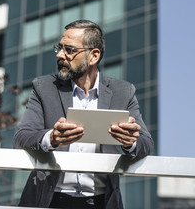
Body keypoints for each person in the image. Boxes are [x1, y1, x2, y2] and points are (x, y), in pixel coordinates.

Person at [13, 20, 154, 209]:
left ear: (94, 56)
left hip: (101, 202)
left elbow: (146, 144)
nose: (60, 55)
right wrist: (52, 138)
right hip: (50, 200)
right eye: (59, 48)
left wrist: (130, 142)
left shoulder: (124, 92)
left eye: (69, 50)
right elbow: (21, 138)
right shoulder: (44, 87)